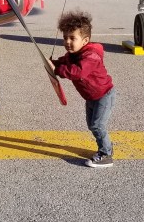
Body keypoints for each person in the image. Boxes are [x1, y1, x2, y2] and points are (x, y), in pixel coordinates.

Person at [48, 10, 115, 168]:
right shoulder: (72, 54)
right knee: (92, 125)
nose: (67, 42)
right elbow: (64, 62)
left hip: (104, 96)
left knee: (97, 126)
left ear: (85, 40)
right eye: (65, 37)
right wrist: (53, 64)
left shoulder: (91, 56)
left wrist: (57, 70)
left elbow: (77, 72)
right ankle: (106, 146)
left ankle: (106, 154)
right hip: (91, 97)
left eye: (72, 38)